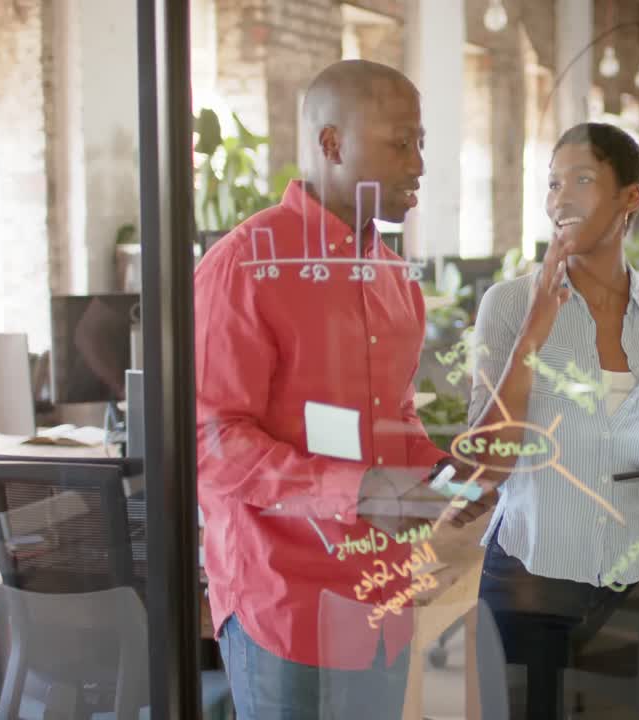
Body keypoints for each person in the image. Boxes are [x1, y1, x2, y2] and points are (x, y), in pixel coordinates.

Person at [195, 60, 453, 719]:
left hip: (379, 590)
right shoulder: (245, 265)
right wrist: (356, 488)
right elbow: (209, 439)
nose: (419, 163)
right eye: (402, 142)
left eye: (421, 142)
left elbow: (392, 415)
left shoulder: (395, 276)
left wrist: (442, 478)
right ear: (332, 144)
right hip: (283, 597)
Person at [450, 122, 639, 719]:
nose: (559, 198)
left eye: (582, 179)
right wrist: (534, 331)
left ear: (631, 198)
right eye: (552, 183)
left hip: (635, 588)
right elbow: (485, 462)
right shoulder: (510, 304)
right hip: (528, 585)